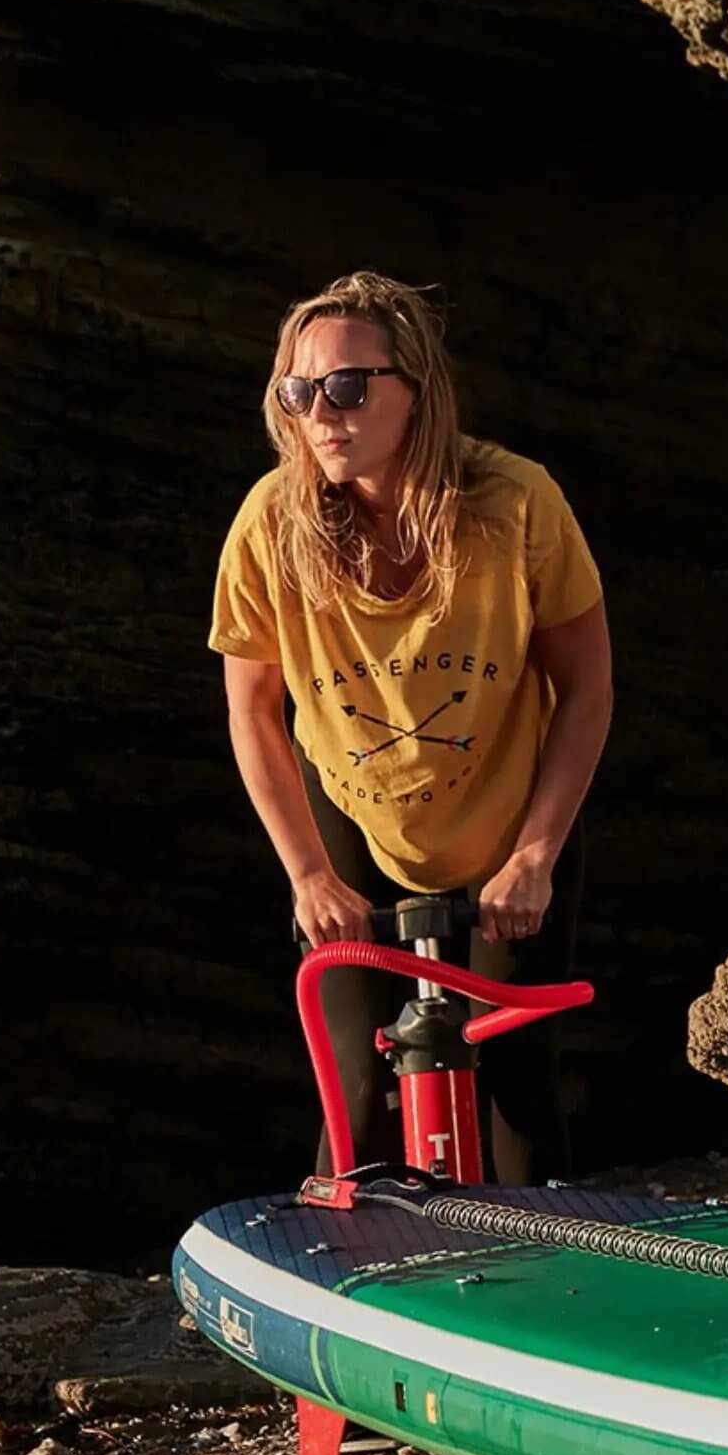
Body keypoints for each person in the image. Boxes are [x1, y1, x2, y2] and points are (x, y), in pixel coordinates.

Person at [209, 270, 613, 1183]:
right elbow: (252, 710)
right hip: (350, 808)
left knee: (512, 1076)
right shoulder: (271, 524)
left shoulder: (516, 503)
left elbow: (586, 689)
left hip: (507, 809)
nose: (324, 413)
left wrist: (534, 857)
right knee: (353, 1084)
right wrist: (308, 873)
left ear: (416, 393)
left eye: (349, 386)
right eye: (300, 391)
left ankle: (546, 1290)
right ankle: (343, 1282)